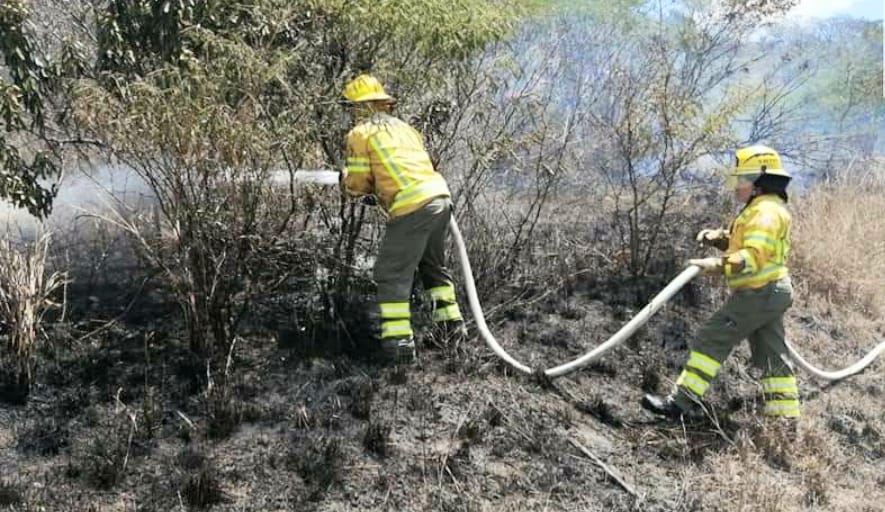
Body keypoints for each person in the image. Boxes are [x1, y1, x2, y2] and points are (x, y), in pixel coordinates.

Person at [642, 145, 799, 420]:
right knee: (771, 355)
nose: (737, 186)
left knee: (711, 338)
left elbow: (753, 256)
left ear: (760, 182)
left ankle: (680, 404)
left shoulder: (764, 213)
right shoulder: (765, 207)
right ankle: (784, 419)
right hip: (771, 291)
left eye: (743, 179)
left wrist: (714, 265)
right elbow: (750, 243)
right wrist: (721, 239)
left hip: (758, 293)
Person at [340, 74, 466, 364]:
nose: (352, 113)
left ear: (361, 107)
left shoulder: (360, 134)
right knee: (433, 267)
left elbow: (357, 184)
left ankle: (398, 347)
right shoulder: (406, 129)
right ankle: (452, 330)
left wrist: (346, 183)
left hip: (412, 206)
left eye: (352, 108)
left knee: (391, 273)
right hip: (440, 198)